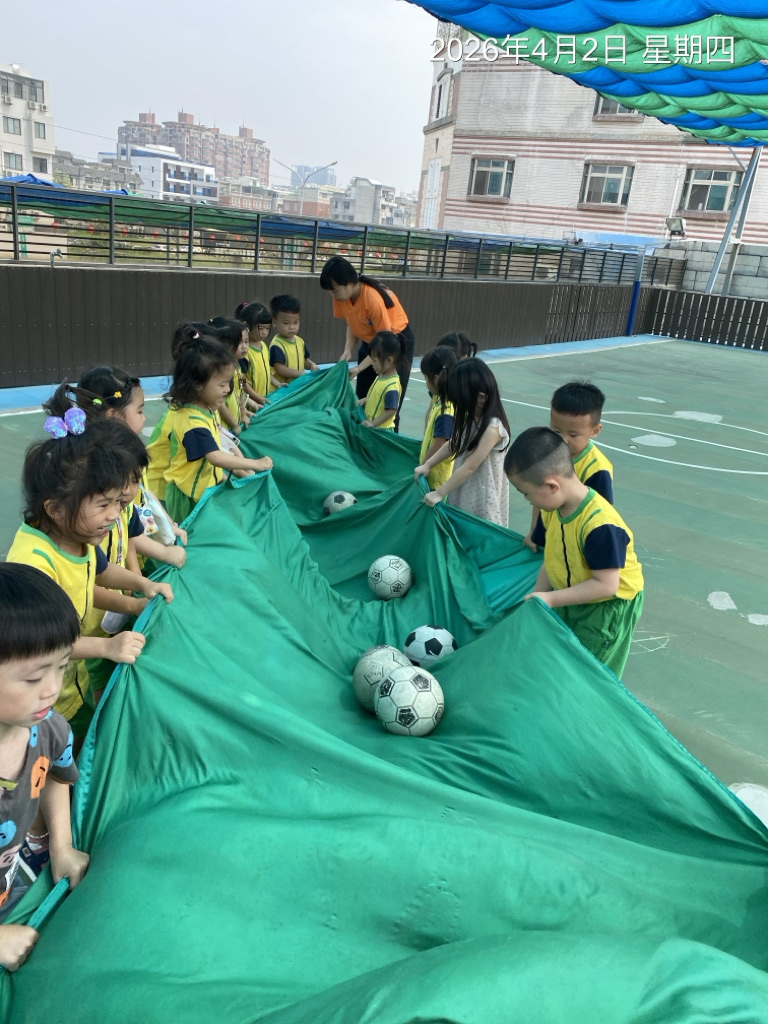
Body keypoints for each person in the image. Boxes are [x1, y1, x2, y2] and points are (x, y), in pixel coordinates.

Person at [6, 417, 175, 726]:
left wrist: (142, 588)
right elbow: (44, 642)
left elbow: (100, 573)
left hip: (73, 678)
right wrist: (106, 646)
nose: (115, 515)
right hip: (41, 702)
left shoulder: (77, 536)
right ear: (56, 508)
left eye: (118, 503)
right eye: (103, 504)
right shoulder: (35, 564)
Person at [0, 564, 90, 972]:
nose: (53, 689)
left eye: (62, 666)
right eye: (34, 677)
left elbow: (55, 774)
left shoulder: (49, 728)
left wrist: (62, 846)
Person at [505, 426, 644, 678]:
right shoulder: (552, 509)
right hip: (573, 594)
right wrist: (538, 595)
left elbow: (606, 585)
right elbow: (553, 558)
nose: (527, 500)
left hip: (605, 608)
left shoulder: (600, 526)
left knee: (588, 671)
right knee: (562, 655)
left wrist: (551, 599)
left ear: (551, 486)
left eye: (525, 493)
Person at [163, 335, 273, 523]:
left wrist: (233, 474)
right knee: (193, 536)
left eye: (229, 382)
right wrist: (254, 464)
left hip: (203, 489)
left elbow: (221, 442)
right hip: (188, 496)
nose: (228, 389)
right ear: (198, 385)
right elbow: (215, 456)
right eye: (222, 384)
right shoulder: (192, 421)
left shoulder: (207, 409)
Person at [319, 256, 414, 429]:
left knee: (390, 404)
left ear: (349, 283)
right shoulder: (342, 297)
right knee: (362, 396)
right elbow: (352, 323)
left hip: (392, 344)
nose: (332, 295)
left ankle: (389, 437)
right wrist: (348, 350)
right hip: (372, 342)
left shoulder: (372, 300)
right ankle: (361, 435)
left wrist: (359, 368)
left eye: (334, 290)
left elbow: (384, 344)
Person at [415, 359, 511, 527]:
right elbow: (454, 443)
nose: (459, 406)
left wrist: (440, 493)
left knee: (478, 530)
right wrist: (428, 464)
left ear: (481, 398)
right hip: (464, 488)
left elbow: (470, 467)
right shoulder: (471, 418)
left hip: (482, 495)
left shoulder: (493, 428)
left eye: (461, 402)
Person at [524, 380, 613, 553]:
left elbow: (601, 518)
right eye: (557, 431)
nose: (563, 440)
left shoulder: (597, 470)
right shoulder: (548, 452)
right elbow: (539, 496)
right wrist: (534, 531)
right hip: (549, 533)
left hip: (575, 545)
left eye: (573, 435)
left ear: (595, 431)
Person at [146, 322, 217, 501]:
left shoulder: (201, 408)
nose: (227, 388)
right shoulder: (188, 418)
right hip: (163, 491)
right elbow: (212, 455)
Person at [419, 346, 458, 490]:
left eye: (426, 378)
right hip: (432, 473)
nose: (426, 382)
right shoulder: (440, 402)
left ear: (436, 379)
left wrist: (425, 464)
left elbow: (440, 443)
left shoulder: (446, 410)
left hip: (436, 479)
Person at [208, 317, 254, 435]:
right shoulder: (221, 371)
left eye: (246, 341)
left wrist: (244, 411)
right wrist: (234, 424)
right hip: (227, 427)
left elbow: (240, 389)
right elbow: (221, 404)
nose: (244, 346)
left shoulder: (237, 365)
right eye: (239, 343)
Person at [234, 301, 284, 400]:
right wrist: (257, 398)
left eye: (267, 328)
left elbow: (266, 372)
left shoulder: (264, 346)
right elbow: (242, 381)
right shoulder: (243, 352)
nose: (265, 332)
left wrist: (277, 383)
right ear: (246, 326)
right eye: (261, 328)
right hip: (252, 403)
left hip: (264, 400)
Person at [358, 332, 405, 431]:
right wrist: (365, 400)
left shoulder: (392, 385)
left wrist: (373, 423)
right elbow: (377, 396)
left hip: (382, 431)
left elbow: (391, 410)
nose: (372, 364)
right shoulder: (381, 376)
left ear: (389, 360)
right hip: (374, 429)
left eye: (374, 360)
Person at [269, 295, 319, 384]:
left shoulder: (300, 341)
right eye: (286, 323)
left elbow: (304, 360)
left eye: (296, 322)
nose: (292, 327)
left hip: (298, 386)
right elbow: (280, 369)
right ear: (274, 322)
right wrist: (302, 374)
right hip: (285, 388)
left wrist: (312, 365)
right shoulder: (277, 345)